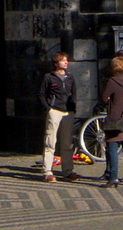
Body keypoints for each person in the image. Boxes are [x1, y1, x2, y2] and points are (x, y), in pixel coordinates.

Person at [99, 56, 123, 188]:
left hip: (114, 120)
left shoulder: (112, 81)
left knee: (112, 148)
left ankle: (113, 177)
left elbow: (104, 98)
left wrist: (109, 99)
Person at [39, 51, 78, 182]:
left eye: (66, 60)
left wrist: (73, 107)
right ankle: (47, 171)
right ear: (56, 63)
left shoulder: (70, 77)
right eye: (63, 60)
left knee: (67, 144)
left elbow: (74, 93)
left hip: (68, 112)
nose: (66, 62)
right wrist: (48, 108)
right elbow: (41, 94)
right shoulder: (49, 77)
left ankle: (68, 171)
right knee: (50, 141)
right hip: (54, 111)